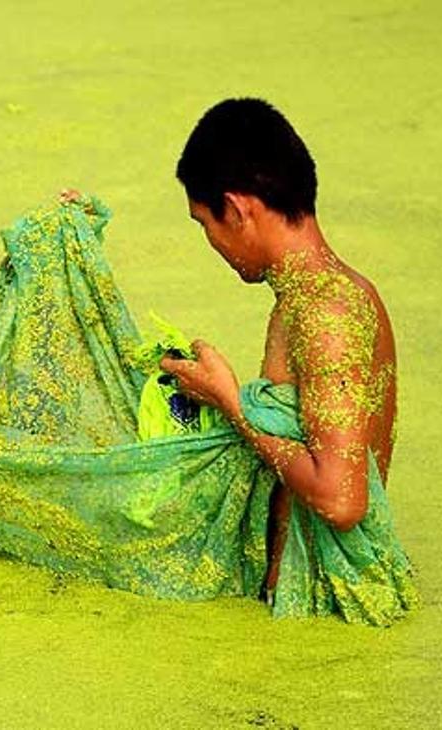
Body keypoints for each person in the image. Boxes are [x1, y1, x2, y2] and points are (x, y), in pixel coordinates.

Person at [161, 98, 401, 595]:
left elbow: (342, 499)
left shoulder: (326, 314)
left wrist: (231, 403)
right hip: (287, 609)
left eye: (205, 223)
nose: (211, 241)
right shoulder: (314, 295)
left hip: (325, 606)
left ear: (237, 209)